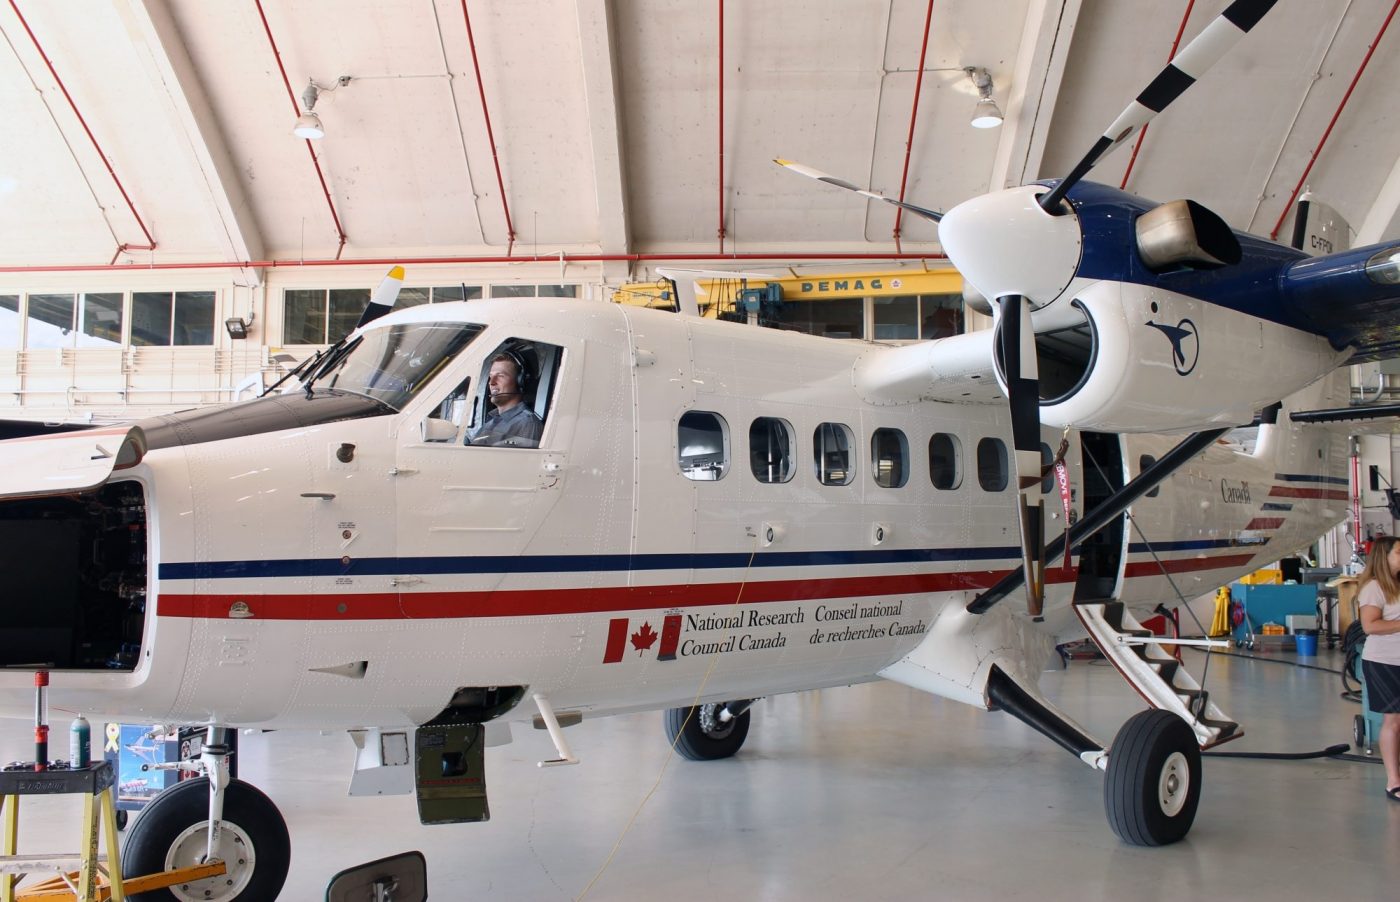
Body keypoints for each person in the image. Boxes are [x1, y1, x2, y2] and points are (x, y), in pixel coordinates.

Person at [1357, 534, 1400, 803]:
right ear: (1385, 557)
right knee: (1393, 721)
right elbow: (1370, 626)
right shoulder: (1374, 587)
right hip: (1385, 662)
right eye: (1399, 552)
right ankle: (1394, 781)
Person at [468, 352, 543, 448]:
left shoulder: (527, 423)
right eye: (491, 377)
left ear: (520, 381)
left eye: (500, 376)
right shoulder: (490, 422)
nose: (491, 382)